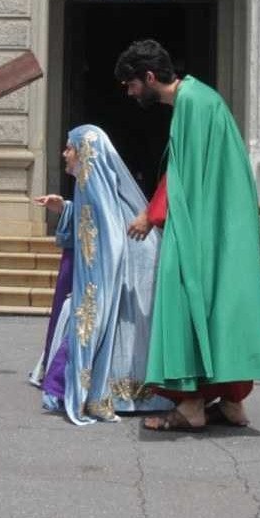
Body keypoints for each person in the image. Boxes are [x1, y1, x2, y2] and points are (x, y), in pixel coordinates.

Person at [117, 39, 260, 431]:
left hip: (204, 225)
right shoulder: (203, 97)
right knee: (219, 307)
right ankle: (232, 403)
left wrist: (149, 217)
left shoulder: (190, 104)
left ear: (150, 77)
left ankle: (189, 405)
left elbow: (182, 176)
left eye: (131, 84)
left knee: (181, 295)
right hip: (221, 224)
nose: (130, 92)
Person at [29, 125, 172, 425]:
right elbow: (92, 226)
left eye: (70, 148)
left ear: (86, 154)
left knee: (101, 329)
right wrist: (65, 209)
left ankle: (101, 394)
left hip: (122, 293)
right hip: (105, 289)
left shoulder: (102, 198)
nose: (65, 153)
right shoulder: (90, 191)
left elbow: (109, 239)